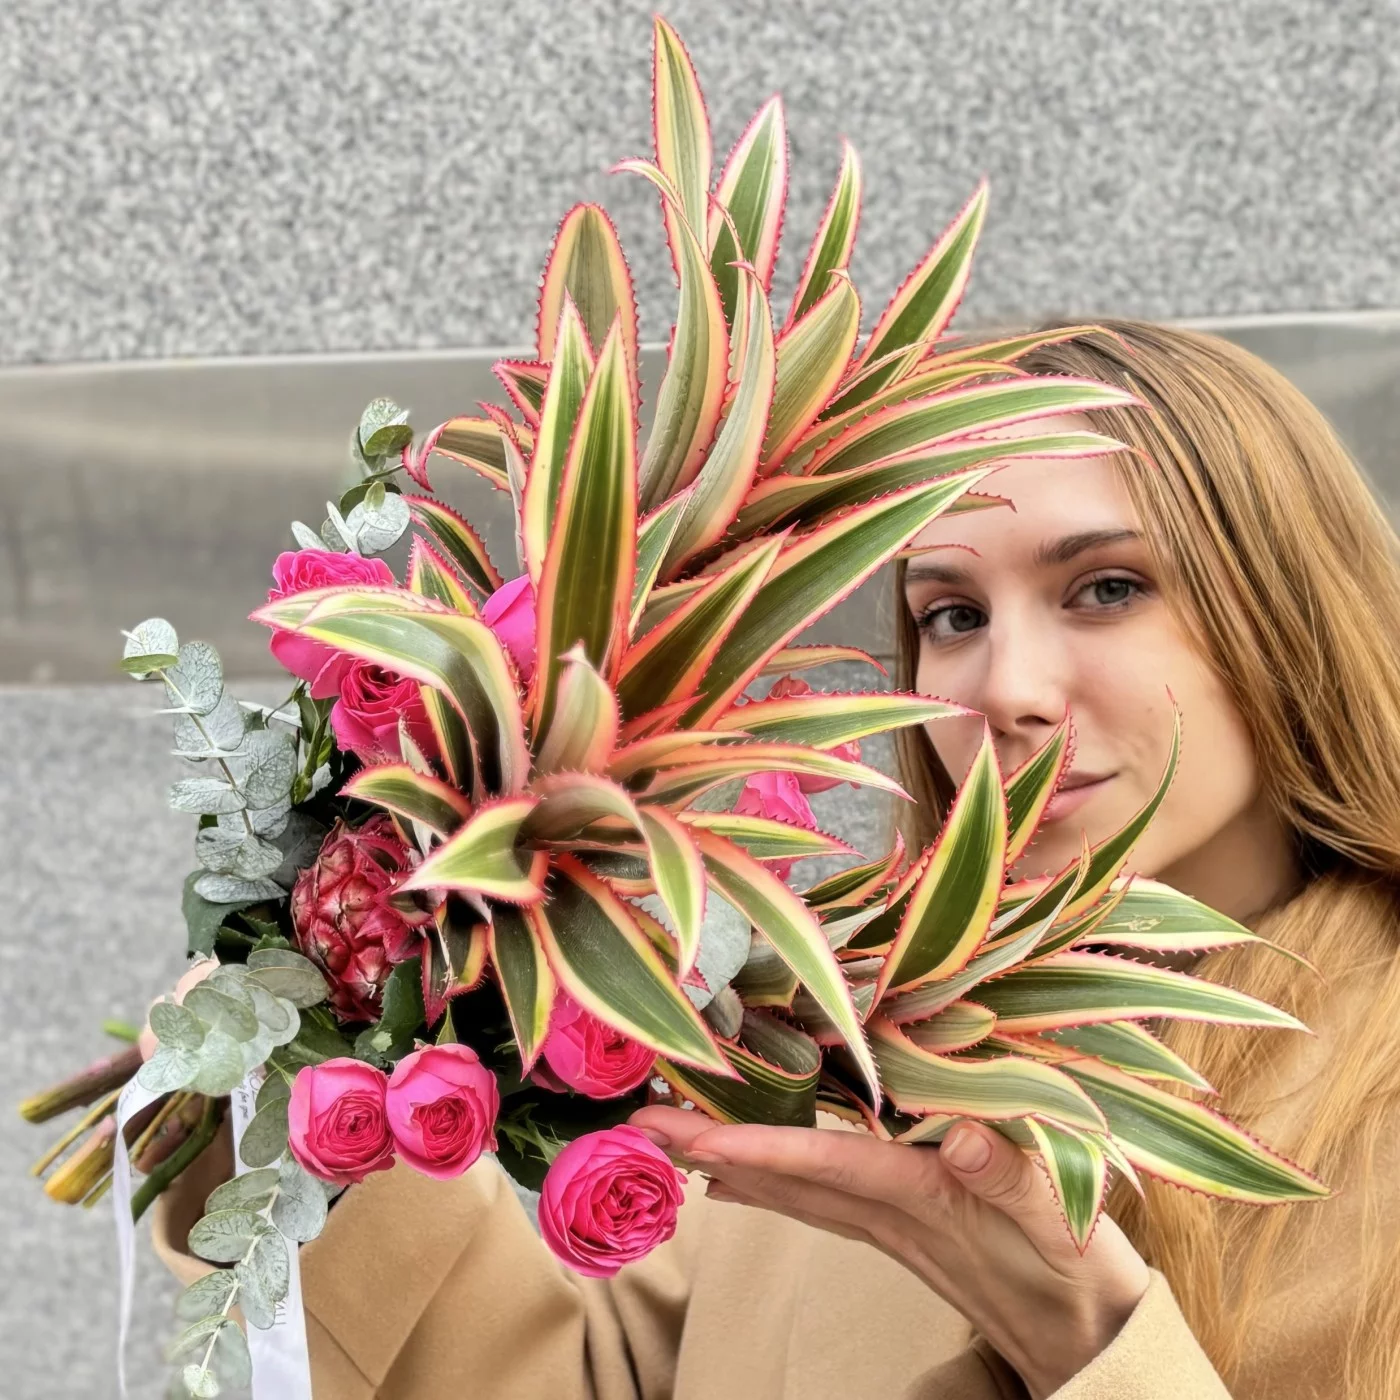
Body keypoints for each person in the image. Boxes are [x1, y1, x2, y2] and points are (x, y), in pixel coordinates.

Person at [151, 319, 1400, 1398]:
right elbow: (589, 1374)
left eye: (1105, 587)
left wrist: (1081, 1338)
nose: (1003, 688)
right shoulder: (854, 1061)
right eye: (950, 614)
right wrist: (298, 1087)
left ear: (1285, 607)